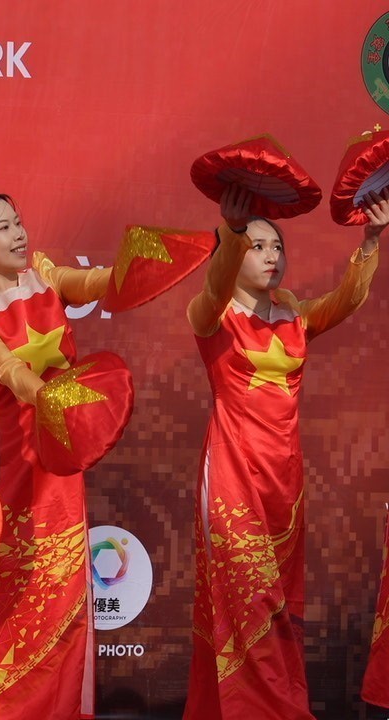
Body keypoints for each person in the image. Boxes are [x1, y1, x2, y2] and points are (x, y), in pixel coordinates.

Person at [184, 185, 385, 719]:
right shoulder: (211, 315)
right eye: (257, 246)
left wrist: (370, 241)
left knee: (277, 603)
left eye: (277, 246)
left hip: (285, 479)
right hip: (231, 470)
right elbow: (212, 287)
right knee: (243, 597)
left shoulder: (294, 313)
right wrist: (229, 234)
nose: (271, 255)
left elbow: (344, 302)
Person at [0, 189, 114, 719]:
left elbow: (106, 282)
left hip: (59, 456)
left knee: (60, 593)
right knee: (11, 597)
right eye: (4, 228)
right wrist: (50, 398)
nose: (19, 234)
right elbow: (8, 370)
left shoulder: (46, 275)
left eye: (19, 223)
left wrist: (155, 260)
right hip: (6, 458)